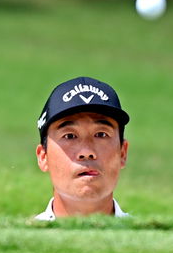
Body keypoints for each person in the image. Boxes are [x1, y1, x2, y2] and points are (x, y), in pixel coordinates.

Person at [34, 76, 130, 220]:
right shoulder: (16, 241)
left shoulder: (152, 240)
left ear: (122, 153)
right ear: (43, 157)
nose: (87, 152)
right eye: (70, 136)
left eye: (101, 134)